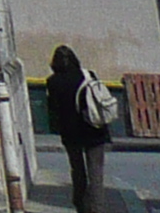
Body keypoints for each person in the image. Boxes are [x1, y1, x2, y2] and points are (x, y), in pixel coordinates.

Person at [45, 45, 114, 213]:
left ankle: (80, 205)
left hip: (71, 132)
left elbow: (53, 110)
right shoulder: (88, 75)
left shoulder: (52, 81)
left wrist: (58, 128)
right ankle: (97, 208)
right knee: (96, 172)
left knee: (77, 170)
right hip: (94, 129)